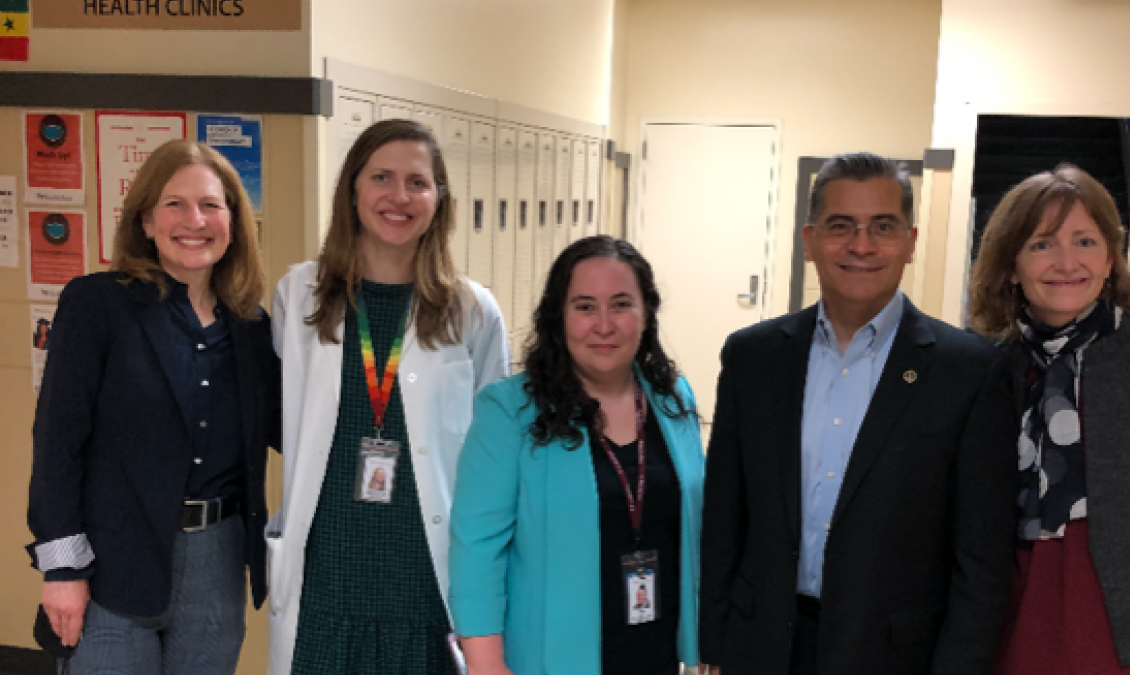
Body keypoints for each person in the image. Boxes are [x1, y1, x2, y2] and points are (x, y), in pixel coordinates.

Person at [700, 153, 1018, 675]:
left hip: (895, 656)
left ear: (910, 242)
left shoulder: (968, 371)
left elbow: (981, 564)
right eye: (840, 226)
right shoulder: (753, 357)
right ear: (809, 240)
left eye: (883, 227)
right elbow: (724, 517)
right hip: (761, 645)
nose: (862, 245)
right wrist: (713, 644)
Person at [27, 138, 280, 674]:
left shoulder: (251, 327)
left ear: (233, 222)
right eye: (175, 204)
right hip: (113, 561)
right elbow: (57, 443)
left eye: (212, 205)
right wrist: (62, 570)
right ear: (145, 221)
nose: (195, 220)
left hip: (218, 560)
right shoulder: (99, 305)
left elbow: (294, 425)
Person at [268, 119, 510, 675]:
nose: (399, 197)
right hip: (327, 569)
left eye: (417, 182)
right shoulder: (300, 295)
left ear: (439, 199)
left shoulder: (470, 312)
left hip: (425, 574)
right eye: (381, 177)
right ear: (353, 190)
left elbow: (493, 460)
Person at [969, 165, 1130, 675]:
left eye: (1085, 241)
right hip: (1007, 626)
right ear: (1011, 266)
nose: (1067, 262)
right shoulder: (980, 372)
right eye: (1042, 244)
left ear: (1111, 259)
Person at [449, 235, 706, 675]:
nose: (603, 325)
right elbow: (475, 550)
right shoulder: (510, 412)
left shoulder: (671, 399)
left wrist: (704, 643)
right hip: (552, 659)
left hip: (655, 651)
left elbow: (695, 528)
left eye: (621, 304)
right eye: (585, 306)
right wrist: (486, 665)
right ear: (559, 317)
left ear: (646, 314)